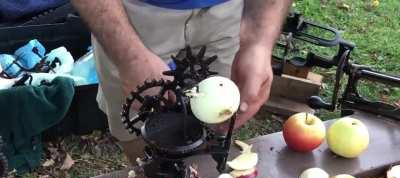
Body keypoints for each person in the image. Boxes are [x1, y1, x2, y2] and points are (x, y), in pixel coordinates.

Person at [71, 0, 293, 164]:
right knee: (140, 136)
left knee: (218, 121)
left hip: (230, 12)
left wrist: (259, 41)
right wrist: (130, 56)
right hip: (127, 13)